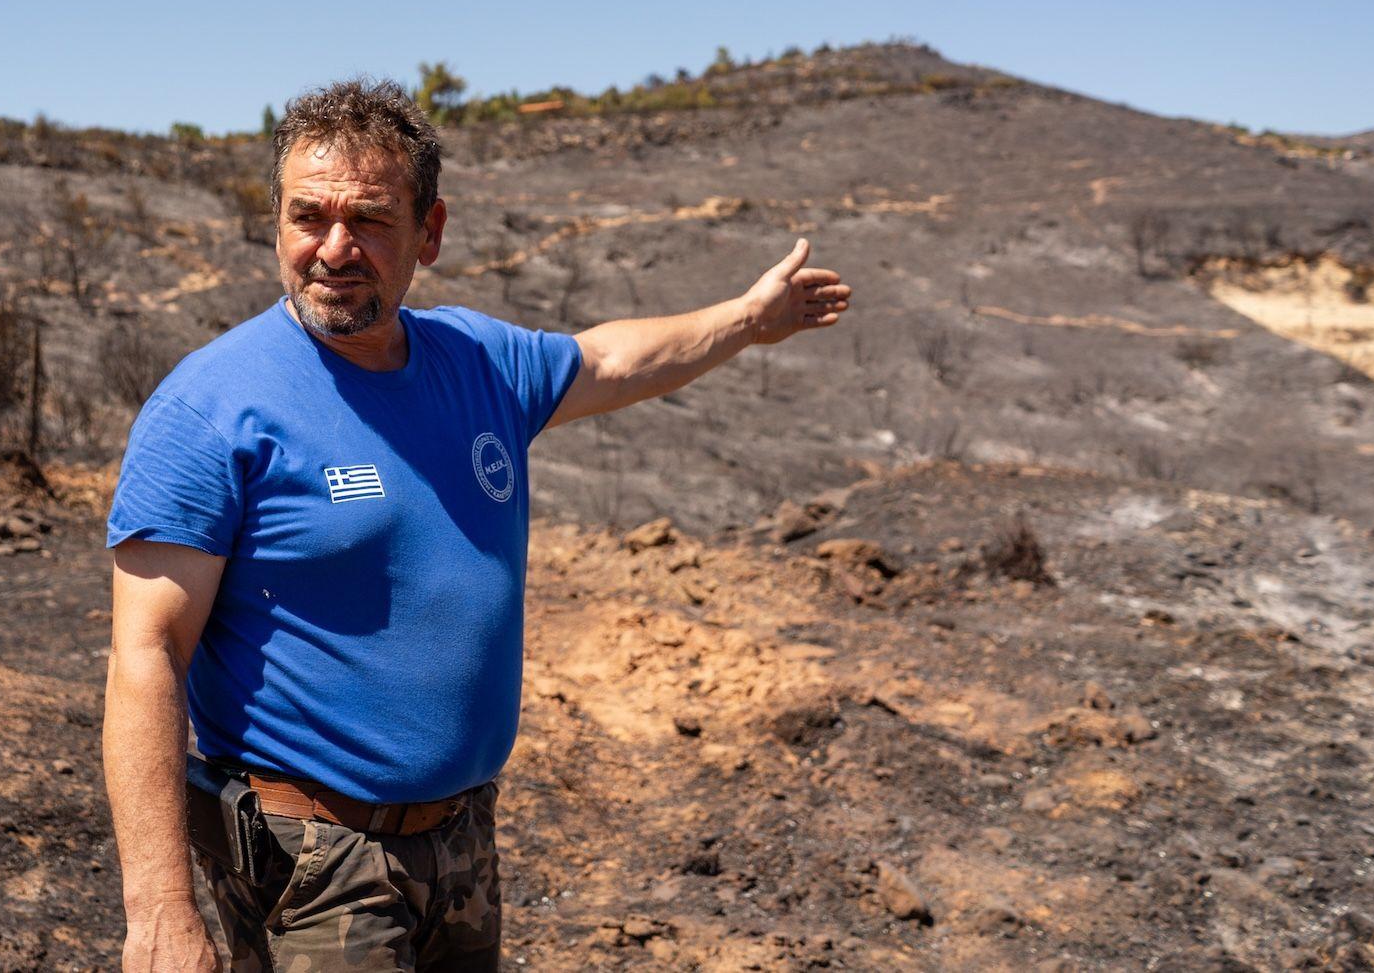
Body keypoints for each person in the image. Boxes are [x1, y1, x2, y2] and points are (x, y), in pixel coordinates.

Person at [103, 78, 852, 972]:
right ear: (277, 221)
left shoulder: (477, 360)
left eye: (371, 221)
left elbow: (613, 357)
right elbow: (146, 653)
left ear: (432, 231)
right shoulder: (211, 404)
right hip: (314, 861)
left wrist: (747, 319)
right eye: (309, 215)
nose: (334, 248)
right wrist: (157, 907)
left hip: (461, 840)